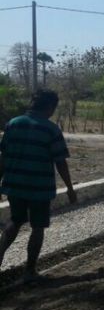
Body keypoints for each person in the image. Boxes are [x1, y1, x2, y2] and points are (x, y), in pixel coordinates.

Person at [0, 88, 77, 282]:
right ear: (50, 107)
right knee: (38, 227)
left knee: (15, 221)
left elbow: (3, 156)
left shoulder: (13, 124)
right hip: (39, 188)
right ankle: (30, 272)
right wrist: (69, 188)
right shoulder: (51, 129)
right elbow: (60, 162)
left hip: (15, 185)